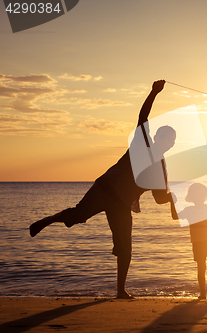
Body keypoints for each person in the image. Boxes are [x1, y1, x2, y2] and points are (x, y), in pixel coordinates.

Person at [29, 80, 176, 299]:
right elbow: (142, 117)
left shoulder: (161, 167)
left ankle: (120, 291)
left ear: (172, 144)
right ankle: (48, 219)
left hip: (122, 205)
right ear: (155, 137)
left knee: (125, 249)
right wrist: (154, 92)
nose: (166, 141)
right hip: (105, 189)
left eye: (170, 139)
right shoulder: (142, 142)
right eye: (163, 136)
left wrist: (173, 197)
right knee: (78, 215)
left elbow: (158, 198)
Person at [177, 182, 207, 299]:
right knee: (201, 267)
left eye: (201, 195)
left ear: (205, 196)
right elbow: (175, 216)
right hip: (197, 242)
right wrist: (171, 202)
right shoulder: (188, 210)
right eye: (196, 195)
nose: (199, 197)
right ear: (191, 197)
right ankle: (203, 293)